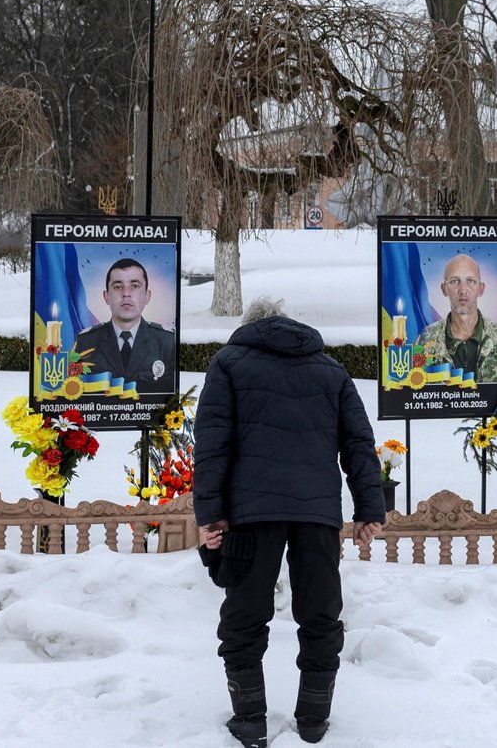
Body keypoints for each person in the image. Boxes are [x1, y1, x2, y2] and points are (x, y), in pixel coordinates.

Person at [194, 297, 385, 748]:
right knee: (321, 614)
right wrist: (369, 509)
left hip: (249, 514)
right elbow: (358, 442)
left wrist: (209, 515)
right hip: (316, 512)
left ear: (249, 327)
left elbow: (212, 445)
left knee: (244, 617)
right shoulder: (331, 370)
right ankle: (315, 721)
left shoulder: (228, 364)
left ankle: (249, 721)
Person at [75, 258, 176, 394]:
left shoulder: (167, 342)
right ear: (106, 297)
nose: (126, 293)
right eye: (118, 287)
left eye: (134, 286)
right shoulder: (85, 342)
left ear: (147, 296)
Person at [418, 253, 497, 382]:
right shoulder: (425, 339)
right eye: (455, 281)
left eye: (471, 281)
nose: (463, 290)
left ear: (481, 289)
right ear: (444, 289)